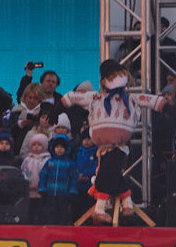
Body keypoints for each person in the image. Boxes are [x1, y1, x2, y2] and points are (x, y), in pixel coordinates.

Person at [62, 59, 168, 223]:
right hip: (103, 146)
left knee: (106, 175)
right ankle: (127, 204)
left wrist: (169, 108)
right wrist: (56, 108)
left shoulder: (129, 98)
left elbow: (150, 100)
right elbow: (73, 97)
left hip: (119, 146)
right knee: (114, 175)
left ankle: (99, 209)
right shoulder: (96, 97)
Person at [37, 134, 79, 225]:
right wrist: (42, 188)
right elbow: (43, 176)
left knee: (62, 214)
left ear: (66, 149)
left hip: (64, 195)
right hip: (50, 194)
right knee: (49, 213)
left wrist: (72, 191)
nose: (59, 149)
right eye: (57, 147)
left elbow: (73, 178)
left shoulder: (70, 164)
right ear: (53, 148)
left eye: (62, 147)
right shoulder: (49, 162)